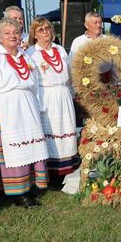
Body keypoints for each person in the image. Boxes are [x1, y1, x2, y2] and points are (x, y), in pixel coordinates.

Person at [0, 18, 48, 208]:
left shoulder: (25, 56)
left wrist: (38, 106)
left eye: (16, 32)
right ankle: (18, 192)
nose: (13, 36)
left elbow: (34, 85)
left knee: (31, 146)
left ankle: (32, 184)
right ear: (0, 37)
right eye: (7, 33)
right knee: (15, 149)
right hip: (9, 106)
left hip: (28, 104)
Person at [27, 18, 78, 187]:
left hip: (63, 94)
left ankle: (68, 170)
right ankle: (52, 173)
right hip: (46, 95)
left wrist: (72, 94)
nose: (45, 32)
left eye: (47, 28)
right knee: (52, 133)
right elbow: (32, 80)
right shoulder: (31, 53)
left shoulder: (60, 49)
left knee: (66, 129)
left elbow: (69, 74)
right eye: (40, 29)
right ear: (34, 35)